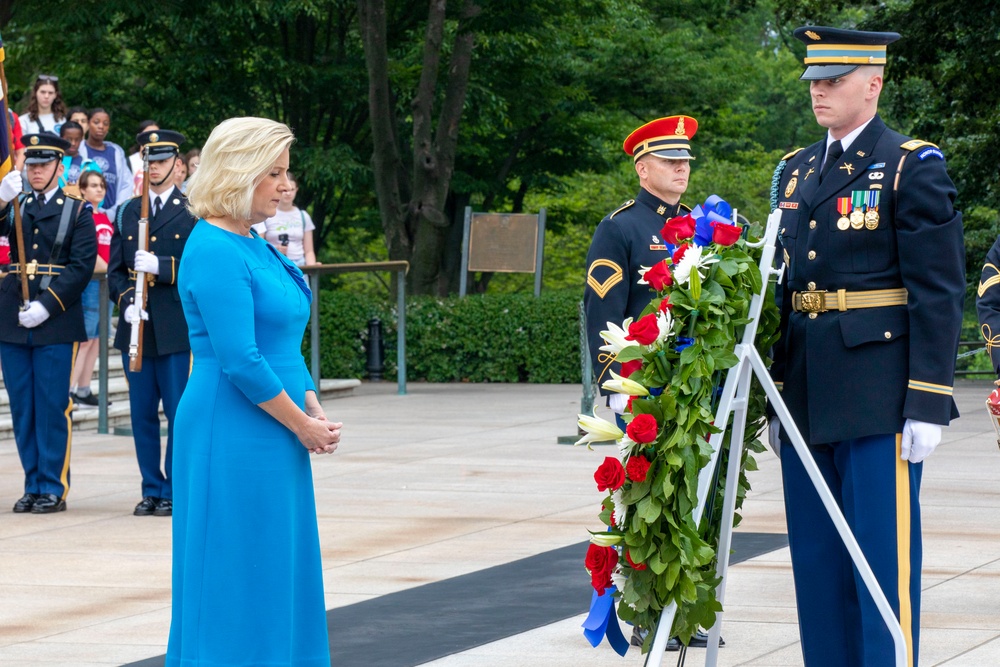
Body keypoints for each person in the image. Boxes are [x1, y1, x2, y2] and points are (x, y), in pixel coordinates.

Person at [769, 26, 965, 666]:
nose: (819, 92)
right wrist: (775, 396)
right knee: (818, 568)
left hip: (879, 392)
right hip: (805, 391)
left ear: (873, 84)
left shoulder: (911, 164)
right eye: (814, 81)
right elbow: (784, 288)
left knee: (881, 567)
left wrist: (928, 400)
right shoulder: (797, 170)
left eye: (833, 80)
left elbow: (937, 290)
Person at [166, 117, 339, 665]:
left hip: (276, 426)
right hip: (232, 427)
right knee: (234, 566)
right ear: (239, 172)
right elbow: (240, 357)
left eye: (287, 172)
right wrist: (303, 424)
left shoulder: (255, 241)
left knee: (277, 561)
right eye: (273, 172)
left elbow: (282, 330)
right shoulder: (216, 246)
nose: (285, 185)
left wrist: (308, 396)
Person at [0, 134, 98, 514]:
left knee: (52, 405)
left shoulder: (77, 210)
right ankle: (32, 483)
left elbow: (81, 267)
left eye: (43, 165)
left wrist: (46, 305)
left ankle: (52, 486)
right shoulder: (16, 204)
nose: (35, 171)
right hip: (13, 318)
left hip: (54, 319)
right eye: (31, 164)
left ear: (60, 167)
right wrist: (2, 200)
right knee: (24, 407)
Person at [108, 129, 194, 517]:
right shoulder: (128, 211)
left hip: (175, 326)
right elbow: (114, 273)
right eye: (149, 161)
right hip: (137, 327)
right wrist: (126, 302)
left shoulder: (193, 209)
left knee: (178, 413)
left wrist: (162, 267)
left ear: (177, 165)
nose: (155, 167)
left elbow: (199, 267)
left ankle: (175, 488)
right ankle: (151, 488)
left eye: (161, 161)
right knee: (142, 413)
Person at [585, 115, 695, 415]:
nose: (682, 166)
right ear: (642, 169)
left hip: (695, 378)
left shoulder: (697, 224)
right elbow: (603, 311)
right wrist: (613, 381)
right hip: (642, 378)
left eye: (685, 159)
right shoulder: (619, 227)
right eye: (669, 160)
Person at [69, 170, 114, 409]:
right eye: (93, 185)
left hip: (105, 284)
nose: (99, 189)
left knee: (98, 339)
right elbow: (89, 252)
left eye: (102, 186)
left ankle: (83, 389)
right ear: (82, 189)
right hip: (90, 284)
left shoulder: (105, 217)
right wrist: (110, 270)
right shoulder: (83, 216)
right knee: (85, 339)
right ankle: (69, 389)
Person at [251, 170, 316, 266]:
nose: (288, 193)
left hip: (300, 267)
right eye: (285, 190)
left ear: (296, 190)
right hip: (275, 263)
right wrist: (275, 250)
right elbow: (259, 245)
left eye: (291, 189)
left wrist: (312, 270)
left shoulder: (303, 216)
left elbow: (309, 251)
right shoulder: (267, 214)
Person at [78, 108, 132, 217]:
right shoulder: (79, 149)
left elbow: (126, 184)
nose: (101, 126)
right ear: (88, 124)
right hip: (84, 214)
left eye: (105, 123)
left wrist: (113, 212)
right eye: (96, 122)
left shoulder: (116, 152)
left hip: (112, 216)